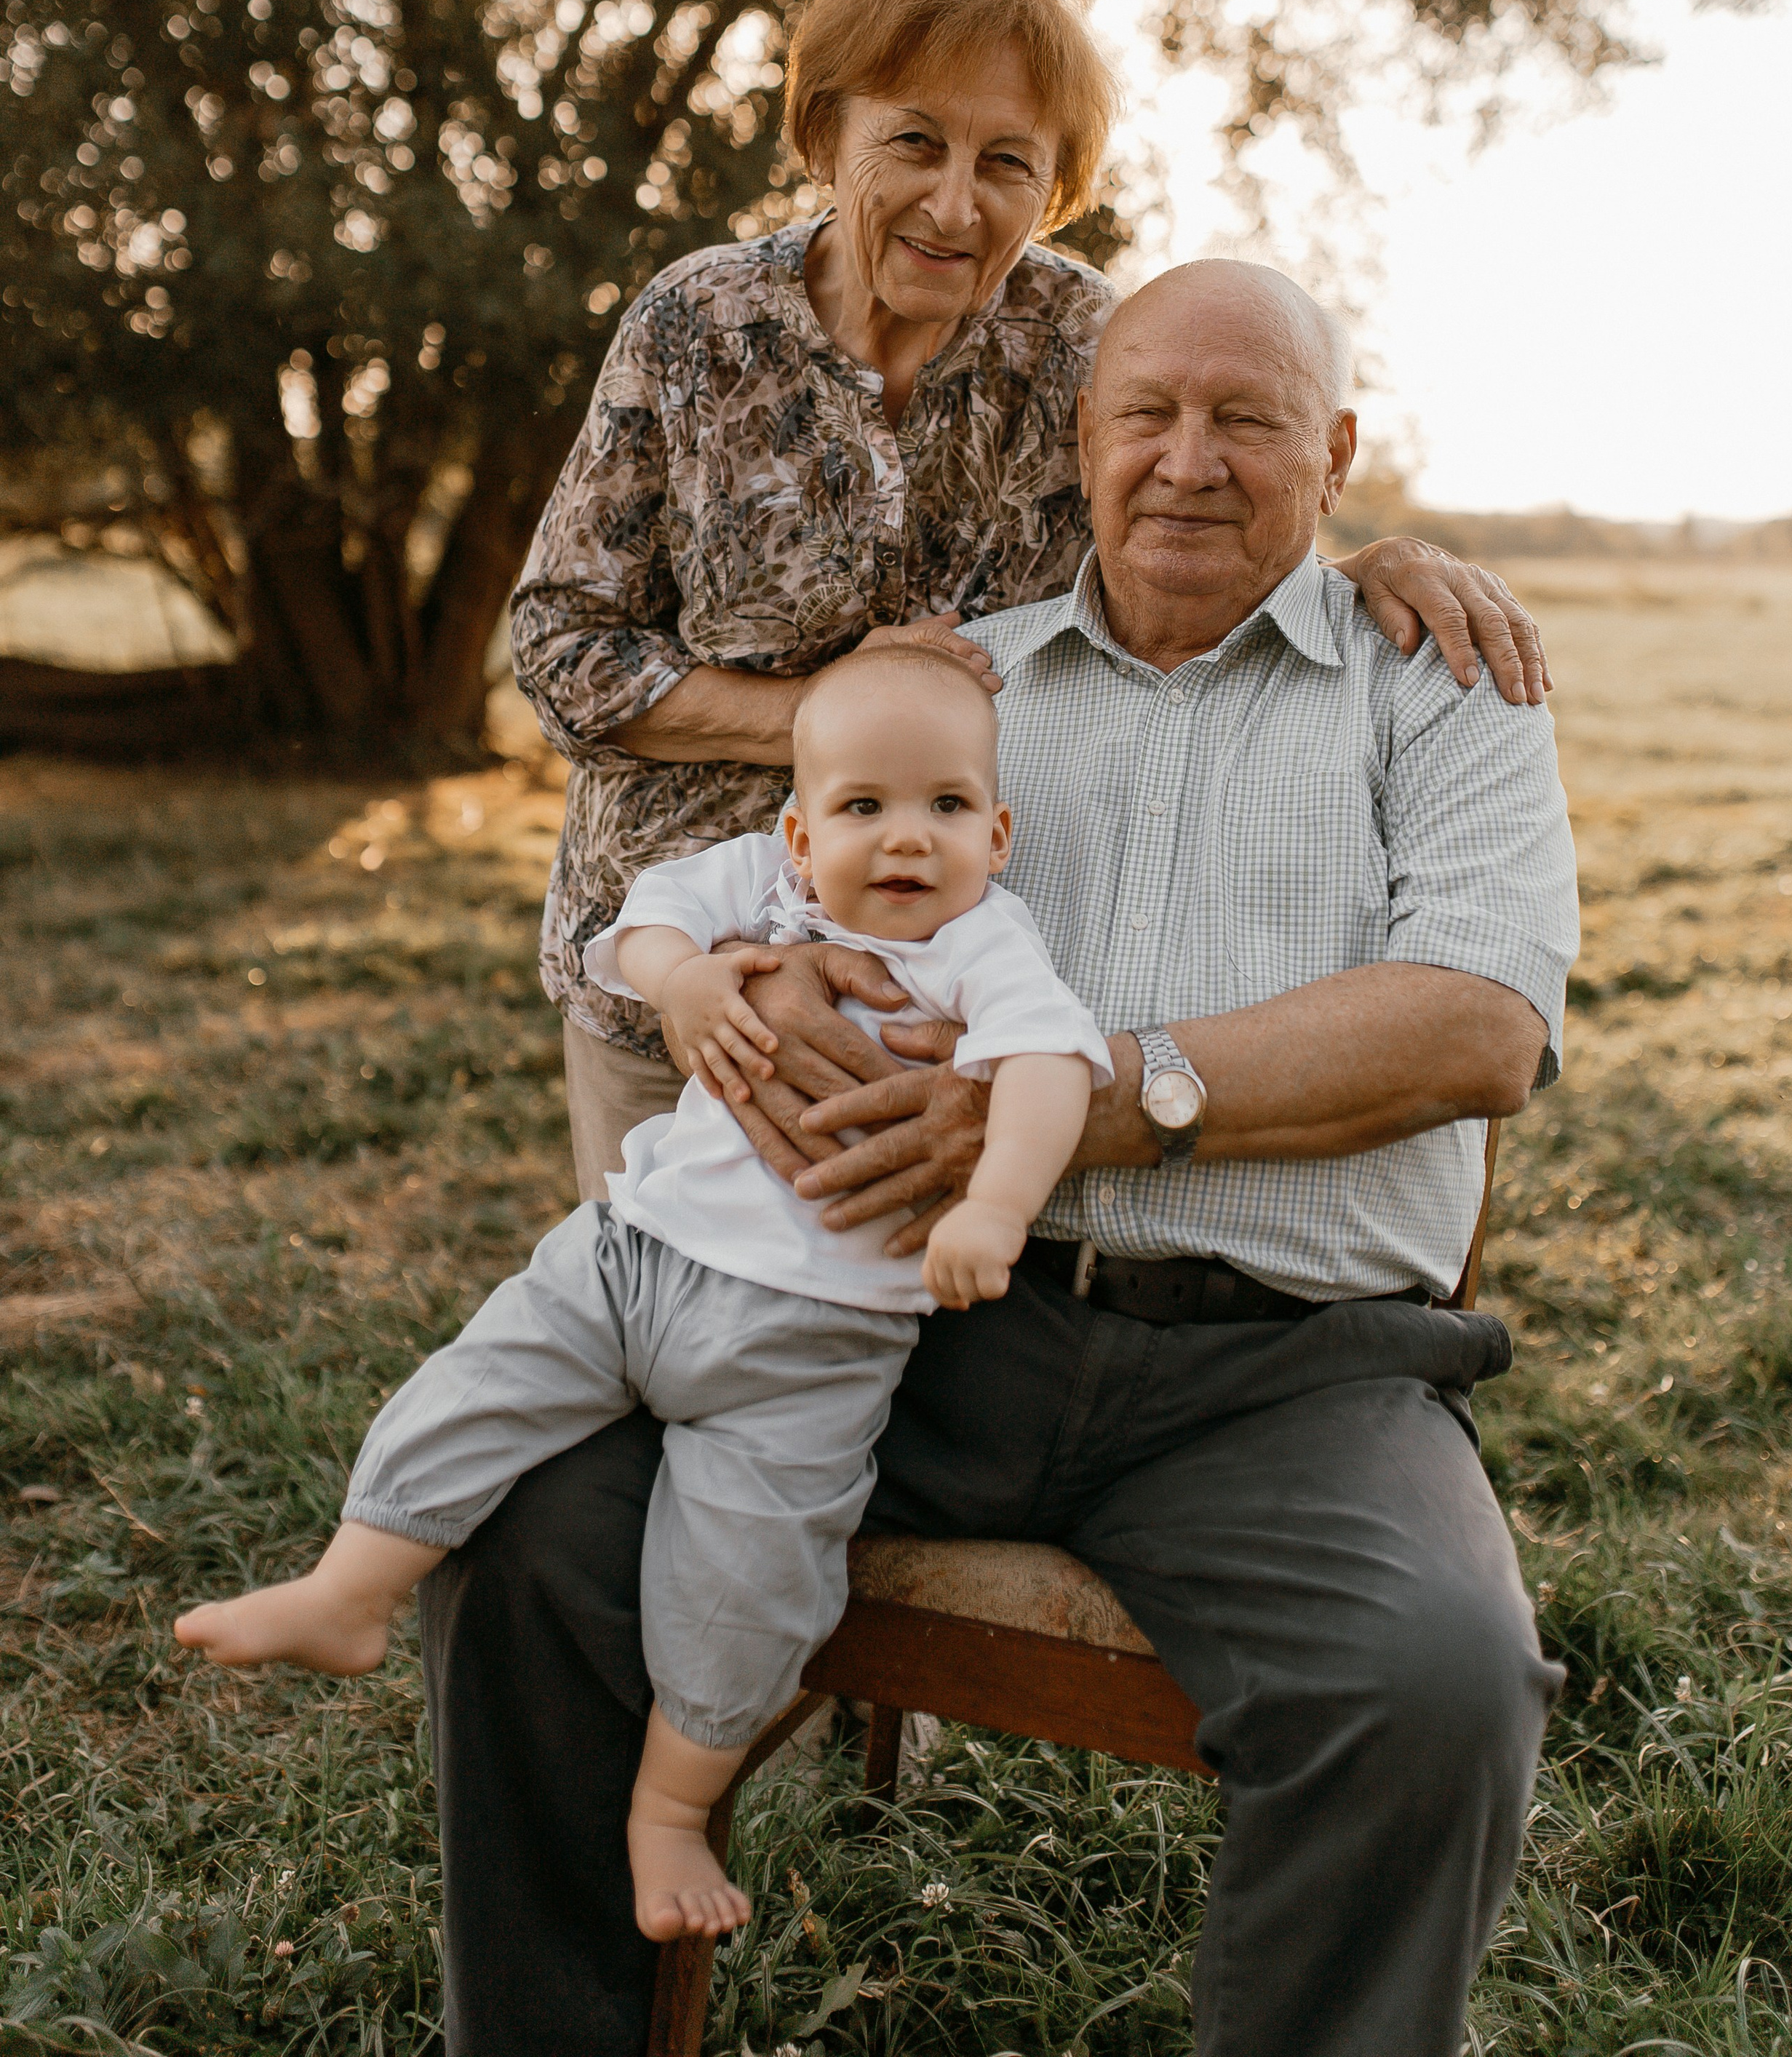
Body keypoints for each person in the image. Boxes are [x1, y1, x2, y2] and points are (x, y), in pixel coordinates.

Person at [422, 255, 1580, 2057]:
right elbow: (765, 901)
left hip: (1287, 1373)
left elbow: (1478, 1027)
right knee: (528, 1518)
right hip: (901, 1327)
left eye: (1248, 421)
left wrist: (1104, 1096)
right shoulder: (960, 698)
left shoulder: (1434, 686)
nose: (1185, 461)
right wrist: (760, 984)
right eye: (1146, 415)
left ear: (1337, 450)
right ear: (1081, 438)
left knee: (1432, 1686)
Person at [509, 0, 1554, 1209]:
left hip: (940, 978)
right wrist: (833, 715)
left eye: (1008, 163)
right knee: (658, 1290)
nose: (957, 208)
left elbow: (1192, 490)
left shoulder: (1076, 341)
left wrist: (1362, 557)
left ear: (1053, 190)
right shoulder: (697, 326)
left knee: (890, 1310)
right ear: (826, 137)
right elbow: (562, 649)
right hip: (680, 967)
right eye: (914, 144)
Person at [172, 643, 1106, 1950]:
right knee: (483, 1382)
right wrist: (684, 977)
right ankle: (352, 1587)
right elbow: (649, 915)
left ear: (996, 836)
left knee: (748, 1589)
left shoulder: (984, 944)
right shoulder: (764, 888)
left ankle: (669, 1812)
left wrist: (995, 1205)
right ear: (800, 833)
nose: (907, 838)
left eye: (947, 806)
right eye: (864, 806)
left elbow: (1050, 1067)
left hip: (812, 1348)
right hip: (633, 1259)